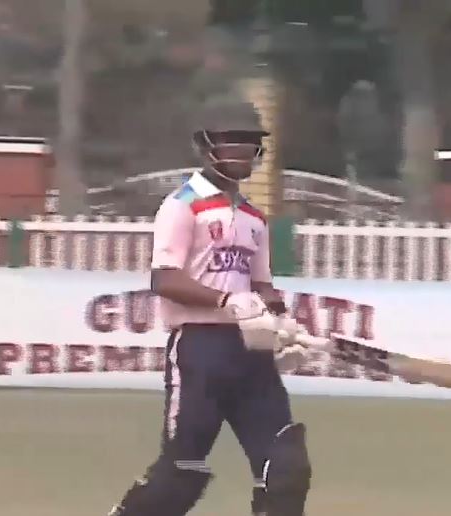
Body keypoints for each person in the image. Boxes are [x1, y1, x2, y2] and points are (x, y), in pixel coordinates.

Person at [108, 97, 311, 516]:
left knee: (286, 469)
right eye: (230, 140)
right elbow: (165, 279)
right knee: (180, 473)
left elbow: (260, 284)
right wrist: (225, 300)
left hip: (251, 354)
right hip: (200, 350)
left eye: (249, 141)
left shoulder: (254, 217)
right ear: (205, 146)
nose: (242, 150)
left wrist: (282, 321)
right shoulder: (182, 205)